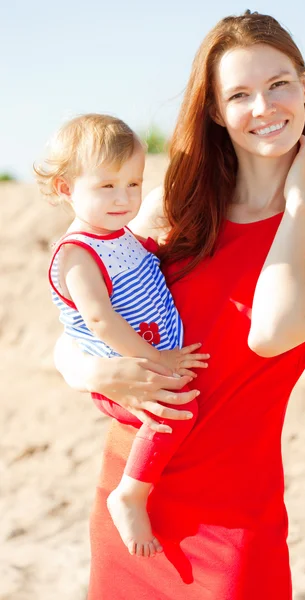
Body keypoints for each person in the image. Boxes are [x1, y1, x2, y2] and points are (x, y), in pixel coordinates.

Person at [54, 11, 305, 600]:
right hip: (135, 491)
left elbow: (270, 333)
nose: (264, 107)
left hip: (235, 516)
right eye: (239, 94)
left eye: (279, 84)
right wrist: (95, 371)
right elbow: (77, 324)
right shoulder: (170, 207)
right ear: (214, 109)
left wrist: (298, 202)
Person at [35, 114, 209, 557]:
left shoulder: (117, 234)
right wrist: (156, 359)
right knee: (174, 408)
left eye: (134, 184)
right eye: (107, 186)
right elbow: (100, 321)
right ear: (65, 189)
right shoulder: (78, 253)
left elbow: (143, 263)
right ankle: (130, 494)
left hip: (145, 352)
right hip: (126, 364)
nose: (124, 198)